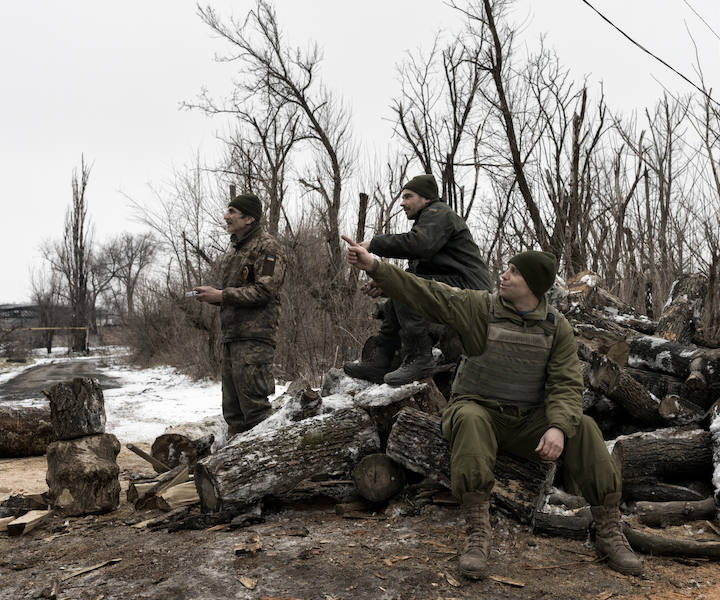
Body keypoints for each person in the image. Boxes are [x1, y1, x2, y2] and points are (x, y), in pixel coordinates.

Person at [342, 235, 643, 580]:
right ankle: (477, 533)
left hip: (527, 422)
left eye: (514, 272)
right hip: (478, 412)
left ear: (531, 285)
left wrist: (557, 426)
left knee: (585, 428)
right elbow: (428, 292)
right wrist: (376, 266)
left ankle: (608, 530)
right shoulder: (480, 308)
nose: (504, 274)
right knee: (469, 418)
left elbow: (566, 385)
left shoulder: (555, 327)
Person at [344, 174, 491, 385]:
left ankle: (419, 357)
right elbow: (417, 270)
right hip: (455, 285)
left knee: (408, 288)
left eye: (408, 196)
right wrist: (385, 285)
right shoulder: (428, 220)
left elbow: (419, 244)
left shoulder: (439, 212)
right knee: (400, 287)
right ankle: (382, 358)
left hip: (472, 290)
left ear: (426, 198)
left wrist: (373, 244)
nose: (402, 203)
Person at [194, 193, 285, 437]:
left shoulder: (268, 247)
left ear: (249, 218)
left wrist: (222, 295)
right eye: (228, 211)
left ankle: (269, 465)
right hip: (232, 338)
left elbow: (265, 290)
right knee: (233, 413)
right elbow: (235, 293)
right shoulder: (234, 251)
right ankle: (237, 467)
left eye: (232, 211)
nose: (226, 216)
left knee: (255, 410)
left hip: (254, 340)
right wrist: (212, 296)